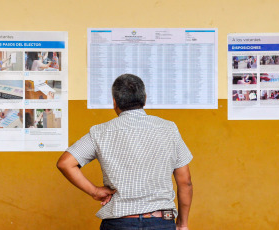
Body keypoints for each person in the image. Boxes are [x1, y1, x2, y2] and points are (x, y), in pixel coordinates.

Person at [57, 74, 193, 230]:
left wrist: (94, 191)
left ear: (114, 102)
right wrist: (182, 224)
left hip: (119, 223)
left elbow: (65, 163)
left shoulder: (100, 132)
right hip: (161, 221)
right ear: (145, 99)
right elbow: (185, 182)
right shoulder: (169, 129)